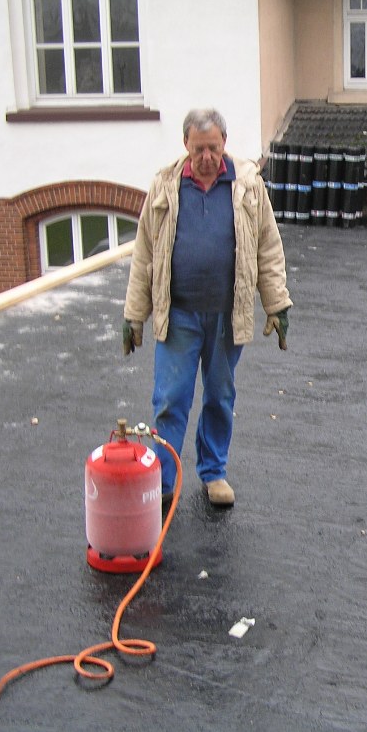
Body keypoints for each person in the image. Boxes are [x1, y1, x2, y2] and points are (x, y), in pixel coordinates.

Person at [122, 108, 292, 507]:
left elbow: (268, 247)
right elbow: (144, 253)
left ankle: (214, 472)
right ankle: (164, 480)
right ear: (185, 144)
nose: (206, 157)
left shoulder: (248, 185)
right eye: (198, 148)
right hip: (178, 315)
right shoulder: (164, 186)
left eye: (213, 148)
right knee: (170, 400)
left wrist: (277, 304)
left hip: (227, 315)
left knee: (219, 396)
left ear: (224, 143)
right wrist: (134, 315)